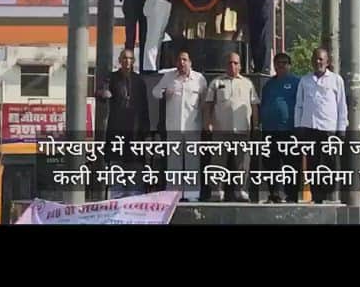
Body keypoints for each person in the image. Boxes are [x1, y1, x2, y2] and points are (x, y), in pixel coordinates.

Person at [294, 47, 348, 203]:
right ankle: (316, 196)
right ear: (312, 61)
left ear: (327, 62)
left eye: (321, 59)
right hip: (309, 128)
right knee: (312, 163)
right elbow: (299, 105)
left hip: (329, 130)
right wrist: (298, 126)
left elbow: (341, 106)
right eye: (315, 59)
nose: (318, 62)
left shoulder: (336, 80)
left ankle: (328, 195)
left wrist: (341, 130)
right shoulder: (305, 80)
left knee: (329, 163)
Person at [152, 50, 208, 201]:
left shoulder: (199, 78)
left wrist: (205, 120)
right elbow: (155, 91)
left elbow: (204, 99)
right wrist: (164, 93)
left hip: (193, 125)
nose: (181, 63)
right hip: (174, 126)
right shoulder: (169, 76)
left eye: (185, 60)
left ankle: (192, 195)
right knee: (174, 161)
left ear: (190, 62)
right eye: (179, 60)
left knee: (192, 161)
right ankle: (173, 194)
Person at [204, 52, 260, 203]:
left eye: (235, 63)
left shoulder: (247, 83)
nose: (232, 66)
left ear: (240, 66)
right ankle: (216, 192)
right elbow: (208, 104)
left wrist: (255, 125)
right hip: (220, 129)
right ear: (225, 65)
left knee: (242, 164)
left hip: (242, 130)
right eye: (230, 63)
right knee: (217, 162)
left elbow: (254, 106)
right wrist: (208, 122)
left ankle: (241, 191)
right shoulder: (216, 82)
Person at [97, 49, 150, 187]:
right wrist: (103, 93)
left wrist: (146, 129)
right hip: (117, 126)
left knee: (134, 161)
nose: (127, 61)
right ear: (120, 61)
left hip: (134, 128)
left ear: (134, 61)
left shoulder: (139, 80)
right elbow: (101, 92)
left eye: (130, 59)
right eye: (125, 58)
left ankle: (134, 192)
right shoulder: (112, 78)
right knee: (115, 159)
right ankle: (116, 191)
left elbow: (144, 107)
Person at [260, 52, 300, 203]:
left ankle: (292, 195)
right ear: (274, 65)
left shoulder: (297, 82)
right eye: (278, 63)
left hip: (290, 131)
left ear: (289, 65)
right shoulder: (269, 84)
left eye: (284, 62)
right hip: (270, 131)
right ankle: (274, 194)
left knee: (291, 165)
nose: (281, 65)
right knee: (271, 165)